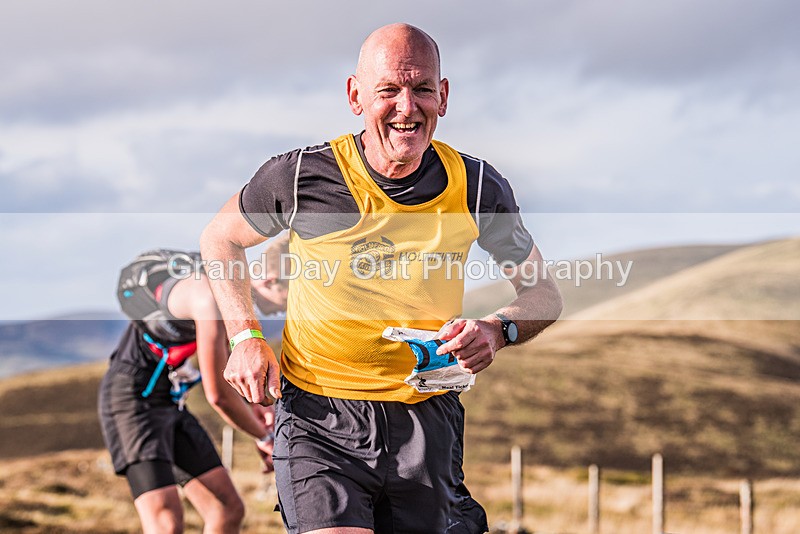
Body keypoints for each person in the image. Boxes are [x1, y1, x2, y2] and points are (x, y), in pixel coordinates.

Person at [200, 23, 563, 534]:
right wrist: (245, 336)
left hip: (426, 419)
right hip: (319, 416)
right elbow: (221, 239)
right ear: (355, 96)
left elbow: (543, 293)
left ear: (444, 95)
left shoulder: (478, 185)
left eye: (421, 89)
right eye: (388, 90)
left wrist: (498, 330)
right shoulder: (302, 176)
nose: (407, 107)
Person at [98, 234, 289, 534]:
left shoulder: (230, 296)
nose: (287, 309)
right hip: (131, 400)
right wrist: (265, 438)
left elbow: (232, 369)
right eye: (292, 297)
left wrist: (258, 409)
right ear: (270, 279)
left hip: (169, 399)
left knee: (226, 509)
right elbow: (219, 396)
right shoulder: (209, 298)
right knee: (166, 521)